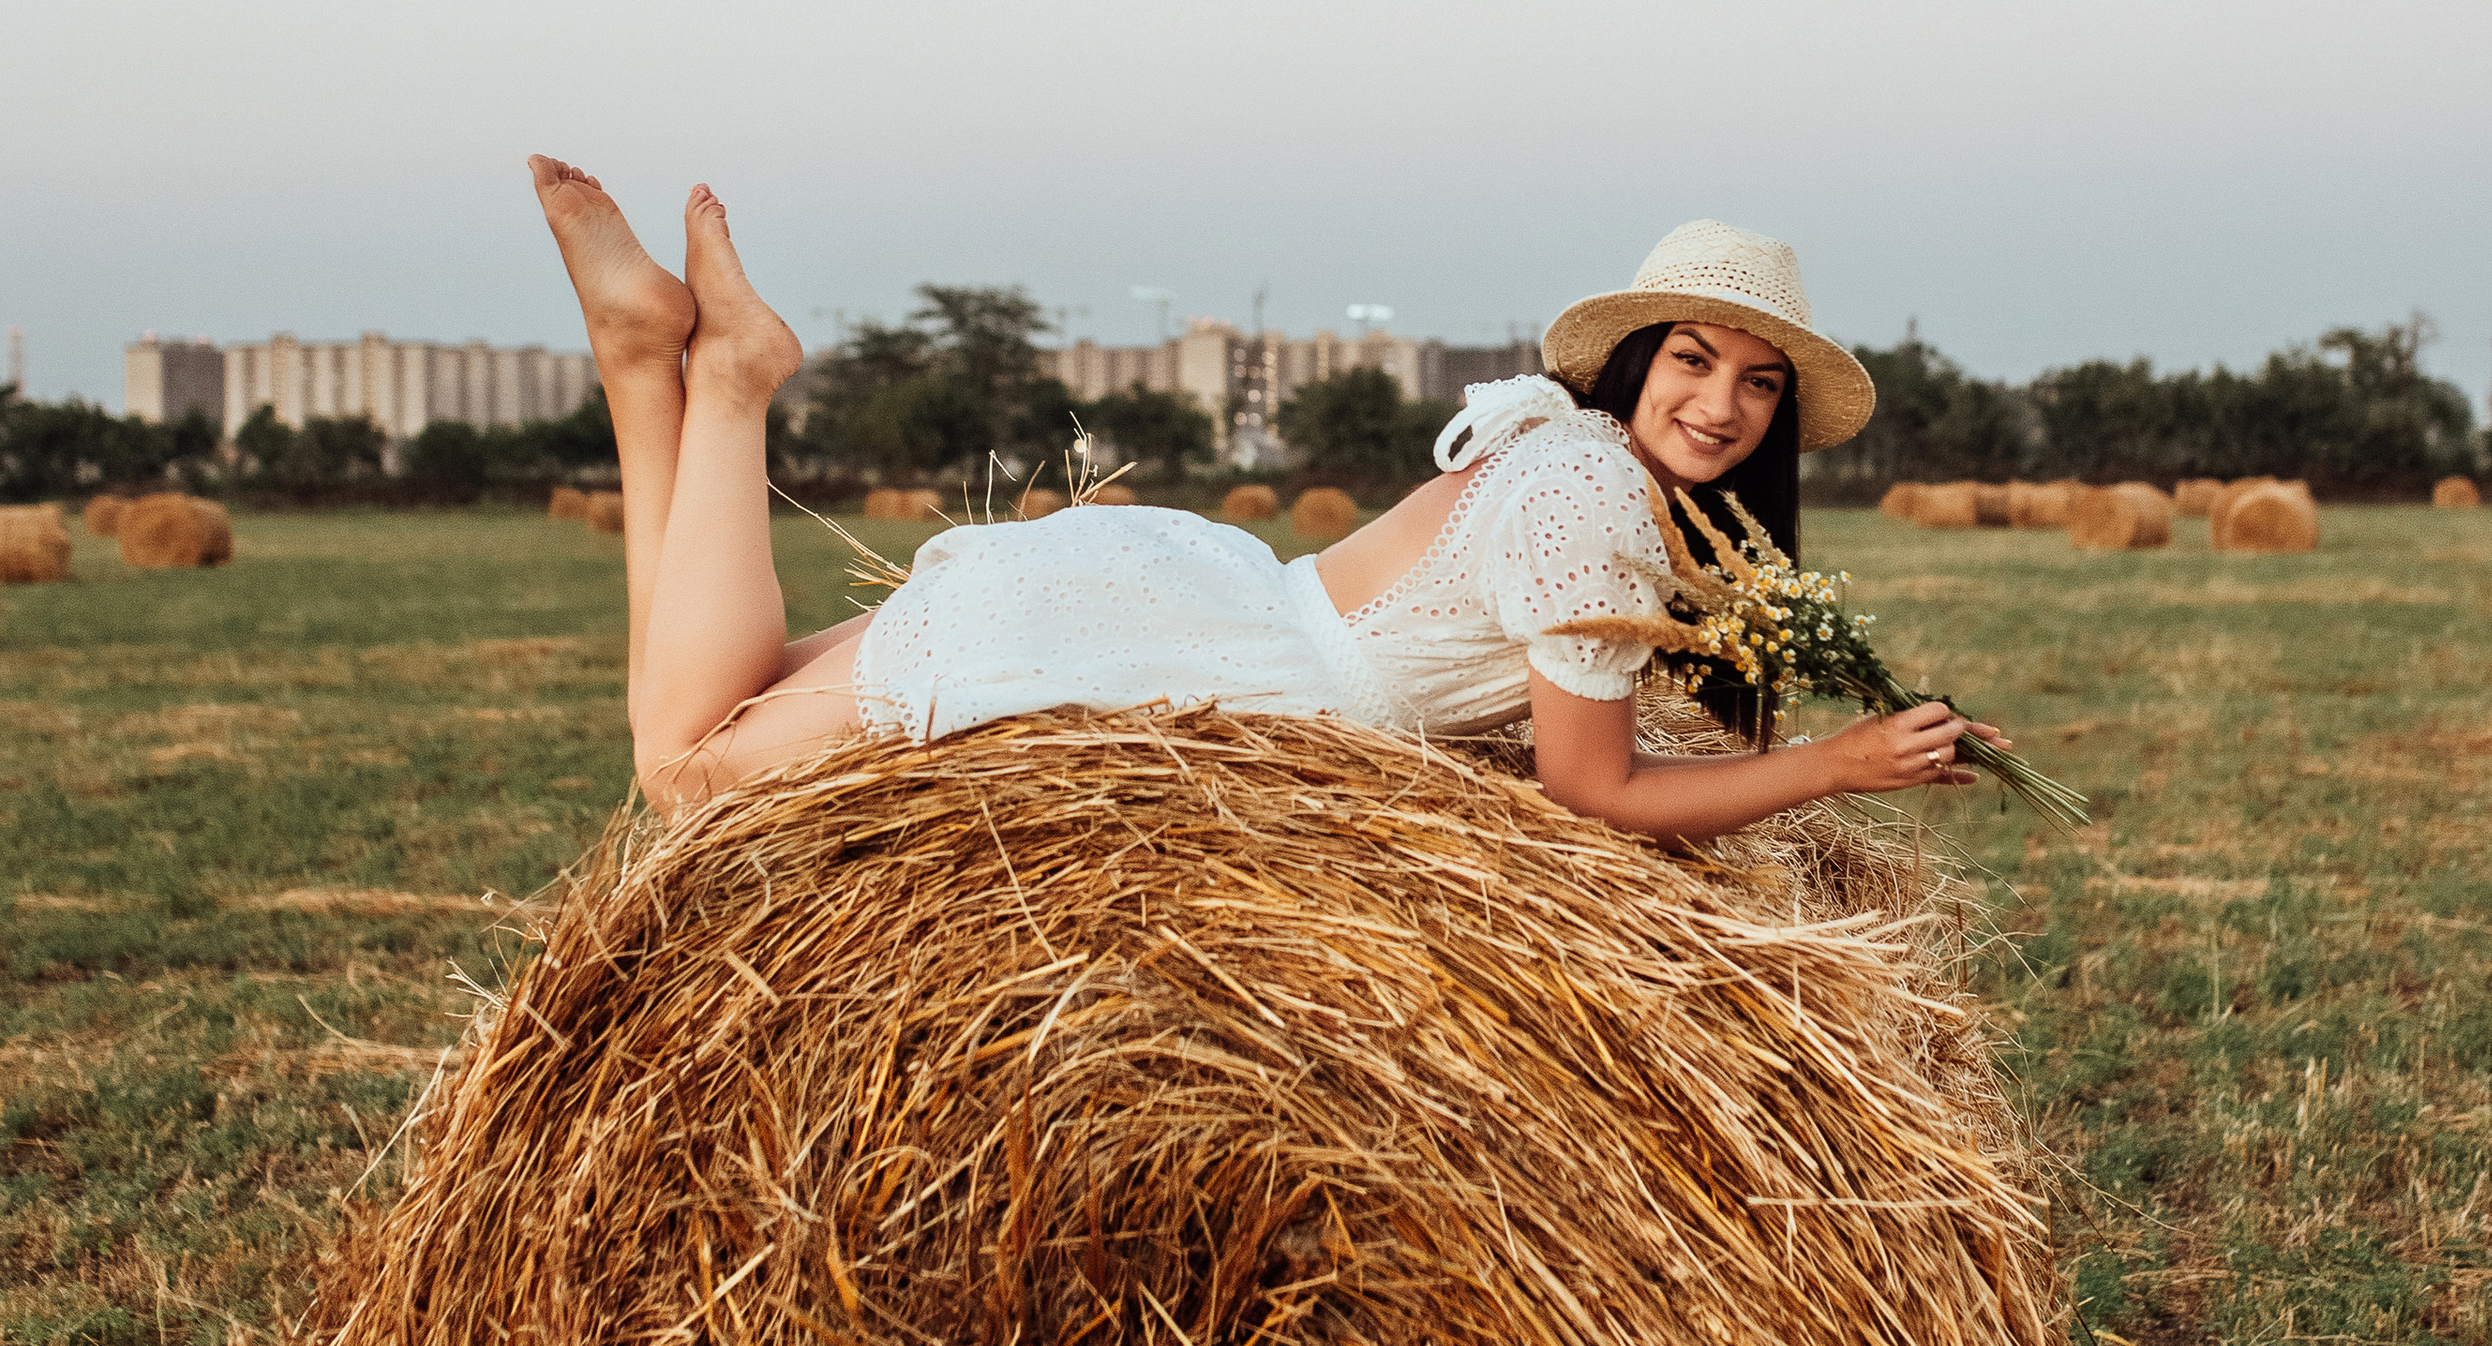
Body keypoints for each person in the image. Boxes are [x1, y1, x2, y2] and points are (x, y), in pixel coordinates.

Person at [530, 161, 1994, 838]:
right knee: (686, 781)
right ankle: (731, 385)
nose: (1722, 404)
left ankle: (640, 375)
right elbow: (1591, 790)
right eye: (1693, 360)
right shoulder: (1592, 496)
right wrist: (1833, 765)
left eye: (1755, 384)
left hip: (1210, 610)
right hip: (1219, 670)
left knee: (706, 722)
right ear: (1636, 362)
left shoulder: (1566, 450)